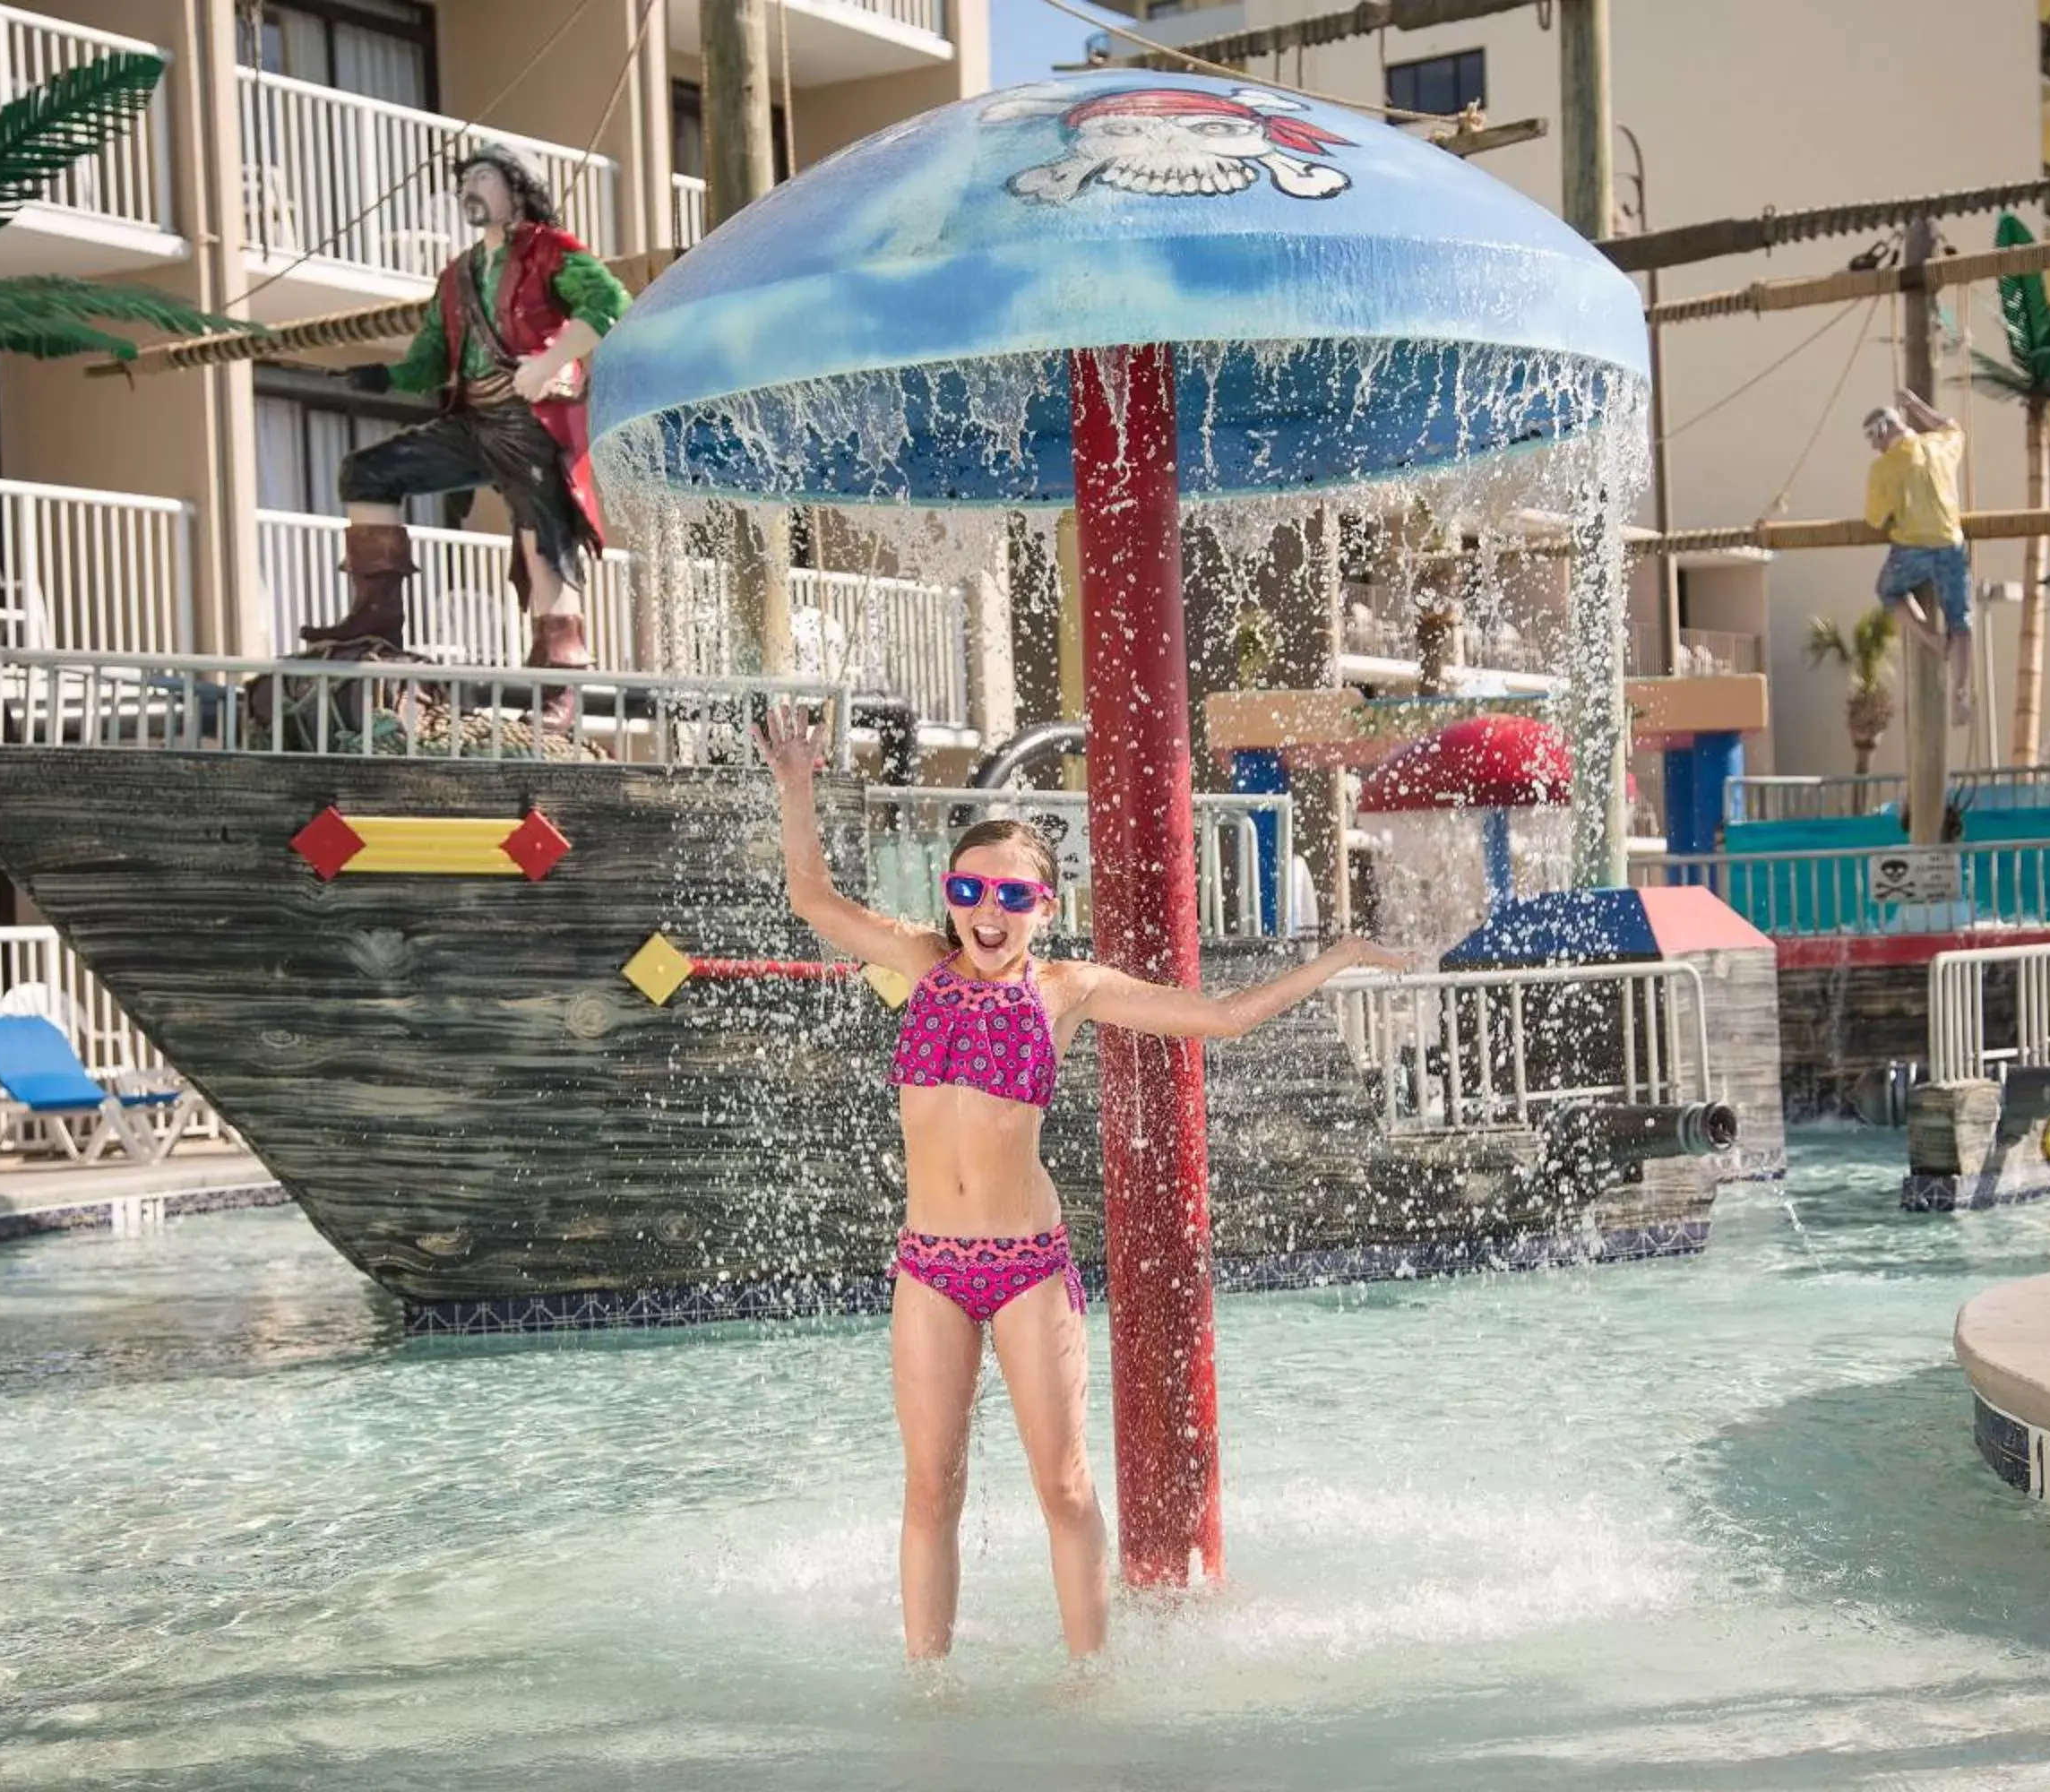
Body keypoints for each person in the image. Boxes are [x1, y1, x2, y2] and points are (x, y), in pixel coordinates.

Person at [752, 707, 1404, 1660]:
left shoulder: (1067, 989)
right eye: (970, 889)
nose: (988, 910)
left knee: (1062, 1485)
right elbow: (811, 896)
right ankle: (930, 1695)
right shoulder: (920, 961)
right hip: (929, 1263)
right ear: (949, 895)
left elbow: (1221, 1016)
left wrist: (1337, 957)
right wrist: (798, 787)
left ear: (1045, 907)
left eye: (1011, 896)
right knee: (931, 1486)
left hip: (1027, 1265)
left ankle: (1088, 1682)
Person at [316, 144, 630, 726]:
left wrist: (550, 360)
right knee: (367, 471)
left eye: (483, 177)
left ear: (516, 189)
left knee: (543, 533)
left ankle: (561, 679)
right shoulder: (456, 277)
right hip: (473, 419)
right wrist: (382, 376)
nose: (471, 188)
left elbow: (609, 302)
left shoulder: (549, 252)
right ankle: (376, 617)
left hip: (533, 419)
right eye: (466, 180)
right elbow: (429, 362)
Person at [1863, 386, 1973, 722]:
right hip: (1950, 541)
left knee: (1888, 590)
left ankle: (1933, 640)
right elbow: (1952, 426)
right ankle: (1962, 689)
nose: (1873, 446)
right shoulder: (1939, 446)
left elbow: (1874, 519)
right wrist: (1917, 405)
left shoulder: (1883, 468)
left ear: (1882, 433)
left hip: (1912, 548)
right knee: (1961, 618)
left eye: (1873, 438)